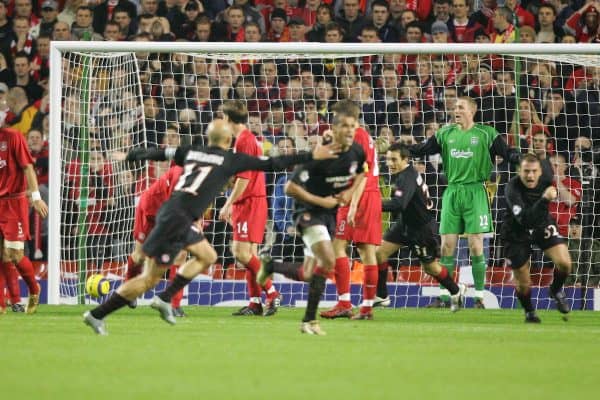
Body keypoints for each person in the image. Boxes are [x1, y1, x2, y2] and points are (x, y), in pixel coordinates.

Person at [83, 119, 338, 335]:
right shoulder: (230, 159)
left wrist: (130, 155)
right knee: (149, 278)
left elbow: (161, 152)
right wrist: (312, 156)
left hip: (175, 214)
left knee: (208, 255)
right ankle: (97, 314)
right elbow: (273, 164)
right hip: (176, 219)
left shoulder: (192, 151)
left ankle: (164, 299)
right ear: (229, 141)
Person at [257, 102, 366, 335]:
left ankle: (270, 265)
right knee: (328, 260)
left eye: (353, 126)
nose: (349, 130)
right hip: (307, 211)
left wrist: (349, 192)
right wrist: (323, 202)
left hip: (329, 215)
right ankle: (309, 321)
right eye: (344, 126)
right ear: (334, 129)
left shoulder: (357, 151)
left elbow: (362, 172)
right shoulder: (320, 155)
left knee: (309, 273)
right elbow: (289, 188)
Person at [410, 97, 518, 309]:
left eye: (460, 107)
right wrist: (401, 148)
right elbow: (422, 149)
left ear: (472, 111)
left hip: (476, 191)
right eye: (455, 107)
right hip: (452, 192)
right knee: (447, 245)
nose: (455, 110)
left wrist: (517, 156)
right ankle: (444, 296)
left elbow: (507, 152)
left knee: (475, 245)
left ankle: (479, 297)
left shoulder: (486, 134)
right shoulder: (445, 134)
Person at [376, 142, 467, 312]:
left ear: (405, 159)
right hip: (406, 223)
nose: (390, 163)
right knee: (380, 253)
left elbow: (399, 204)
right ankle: (382, 296)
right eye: (388, 159)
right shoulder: (402, 173)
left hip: (421, 229)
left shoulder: (407, 176)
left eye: (394, 159)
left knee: (430, 267)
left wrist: (373, 204)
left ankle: (456, 289)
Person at [218, 100, 281, 317]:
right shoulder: (245, 140)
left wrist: (228, 204)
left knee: (240, 252)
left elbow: (244, 178)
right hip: (254, 200)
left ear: (228, 119)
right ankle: (255, 302)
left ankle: (272, 292)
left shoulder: (245, 141)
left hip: (250, 201)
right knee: (250, 255)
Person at [320, 100, 382, 320]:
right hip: (362, 196)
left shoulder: (359, 136)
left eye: (336, 115)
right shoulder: (357, 136)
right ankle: (351, 304)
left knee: (359, 251)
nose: (333, 119)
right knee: (344, 248)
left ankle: (357, 306)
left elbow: (362, 173)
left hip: (362, 196)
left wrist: (354, 204)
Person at [502, 153, 571, 323]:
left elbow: (543, 157)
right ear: (519, 171)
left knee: (565, 264)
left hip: (542, 224)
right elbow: (525, 220)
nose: (530, 175)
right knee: (524, 281)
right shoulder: (512, 189)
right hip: (516, 231)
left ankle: (555, 289)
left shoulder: (547, 173)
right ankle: (530, 312)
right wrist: (545, 199)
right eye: (526, 171)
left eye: (534, 171)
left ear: (541, 172)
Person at [125, 164, 188, 316]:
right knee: (140, 257)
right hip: (150, 210)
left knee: (180, 254)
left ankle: (174, 304)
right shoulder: (180, 174)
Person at [0, 123, 48, 314]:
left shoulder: (13, 136)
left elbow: (28, 167)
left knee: (14, 254)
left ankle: (34, 289)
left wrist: (36, 197)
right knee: (2, 255)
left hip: (13, 202)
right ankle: (4, 303)